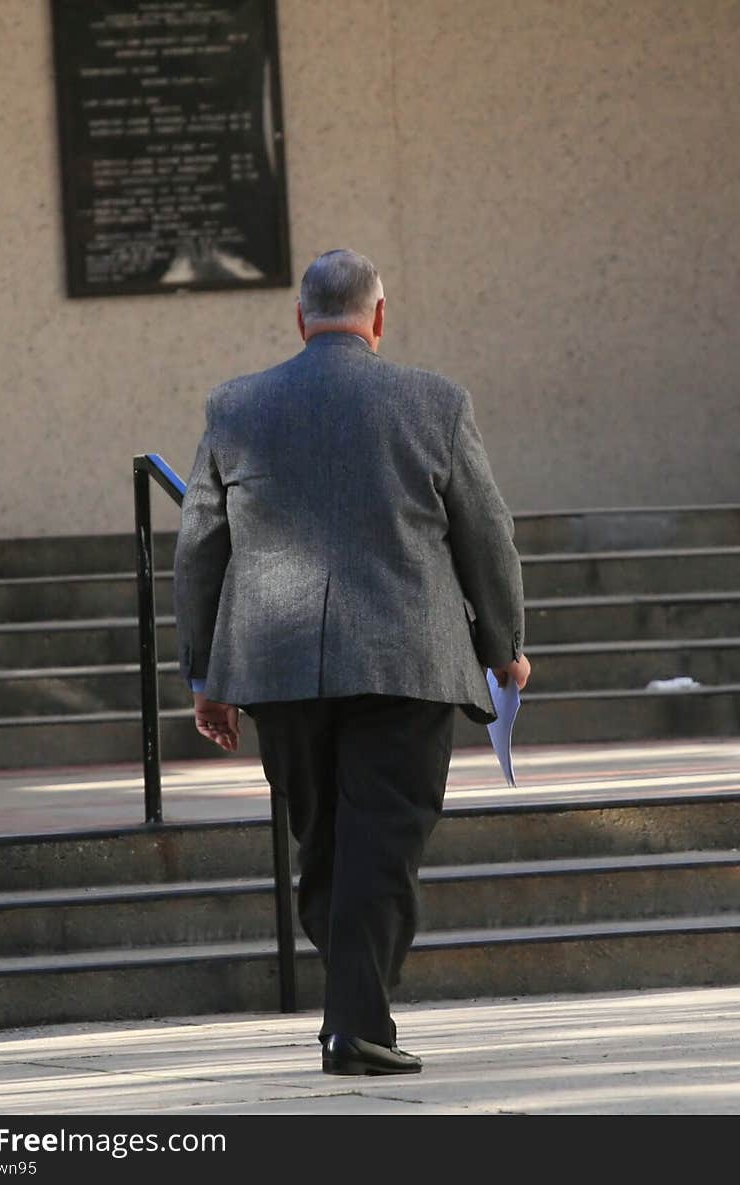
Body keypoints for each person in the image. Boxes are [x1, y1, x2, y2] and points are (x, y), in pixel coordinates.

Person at [173, 248, 530, 1076]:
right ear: (379, 316)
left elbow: (199, 547)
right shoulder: (434, 401)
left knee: (324, 843)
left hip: (279, 664)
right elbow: (486, 532)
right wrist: (503, 647)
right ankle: (356, 1022)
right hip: (407, 656)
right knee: (383, 842)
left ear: (301, 319)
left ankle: (354, 1017)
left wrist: (205, 675)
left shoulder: (236, 405)